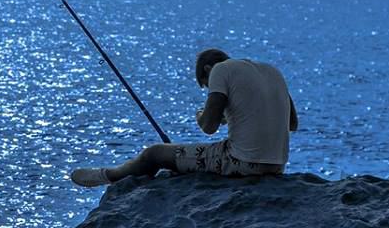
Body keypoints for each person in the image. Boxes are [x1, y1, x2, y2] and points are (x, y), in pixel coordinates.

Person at [69, 47, 297, 186]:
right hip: (277, 165)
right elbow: (292, 123)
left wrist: (202, 114)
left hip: (244, 163)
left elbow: (208, 126)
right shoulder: (270, 70)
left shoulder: (220, 70)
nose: (209, 88)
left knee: (154, 153)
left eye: (206, 86)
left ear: (208, 70)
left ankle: (108, 176)